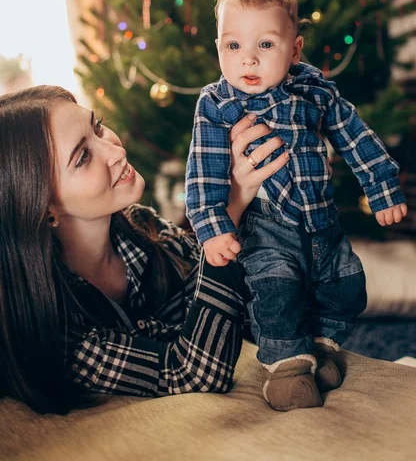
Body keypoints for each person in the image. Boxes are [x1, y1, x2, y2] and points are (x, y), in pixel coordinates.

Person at [185, 0, 408, 412]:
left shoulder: (314, 90)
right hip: (267, 224)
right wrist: (213, 228)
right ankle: (286, 366)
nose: (248, 60)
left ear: (295, 48)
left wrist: (381, 188)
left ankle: (322, 346)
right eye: (234, 46)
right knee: (278, 289)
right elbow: (204, 171)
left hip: (322, 218)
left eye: (265, 45)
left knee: (346, 282)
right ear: (219, 49)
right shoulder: (216, 104)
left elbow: (354, 135)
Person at [0, 84, 289, 415]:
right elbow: (191, 373)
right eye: (83, 157)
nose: (115, 151)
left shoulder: (141, 226)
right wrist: (225, 212)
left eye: (98, 127)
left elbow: (221, 297)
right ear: (44, 206)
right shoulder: (55, 324)